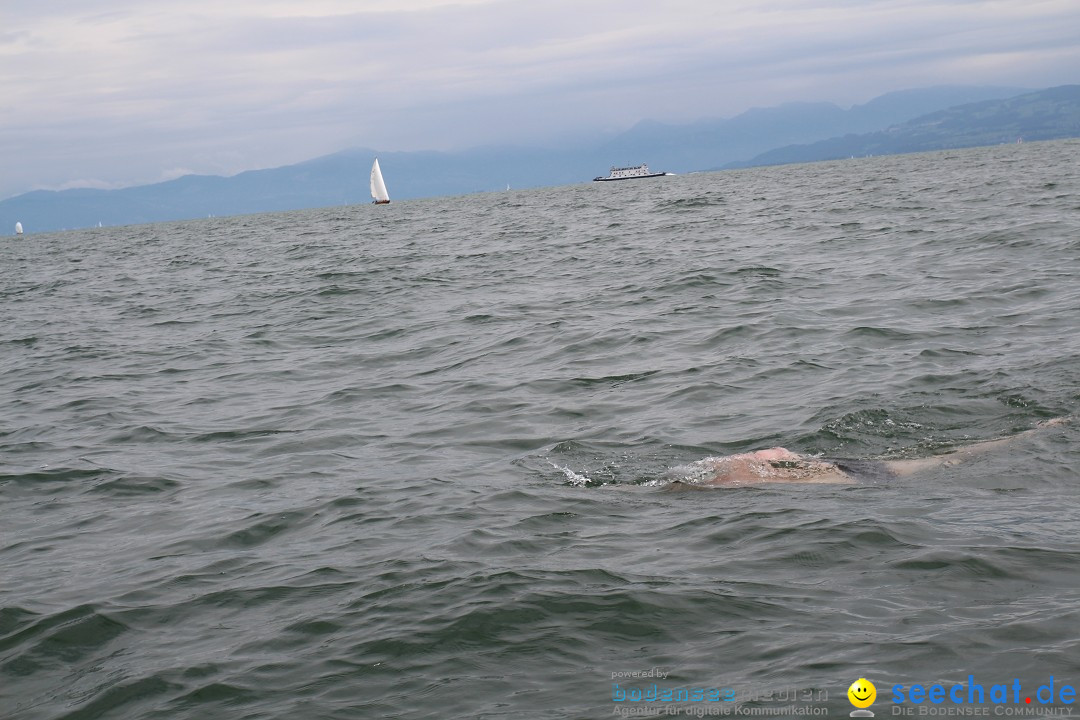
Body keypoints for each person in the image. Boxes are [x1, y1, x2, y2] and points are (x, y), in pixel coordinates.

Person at [682, 417, 1068, 488]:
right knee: (951, 458)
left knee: (951, 459)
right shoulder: (724, 472)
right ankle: (1037, 433)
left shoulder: (718, 478)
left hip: (841, 475)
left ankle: (1038, 433)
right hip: (832, 472)